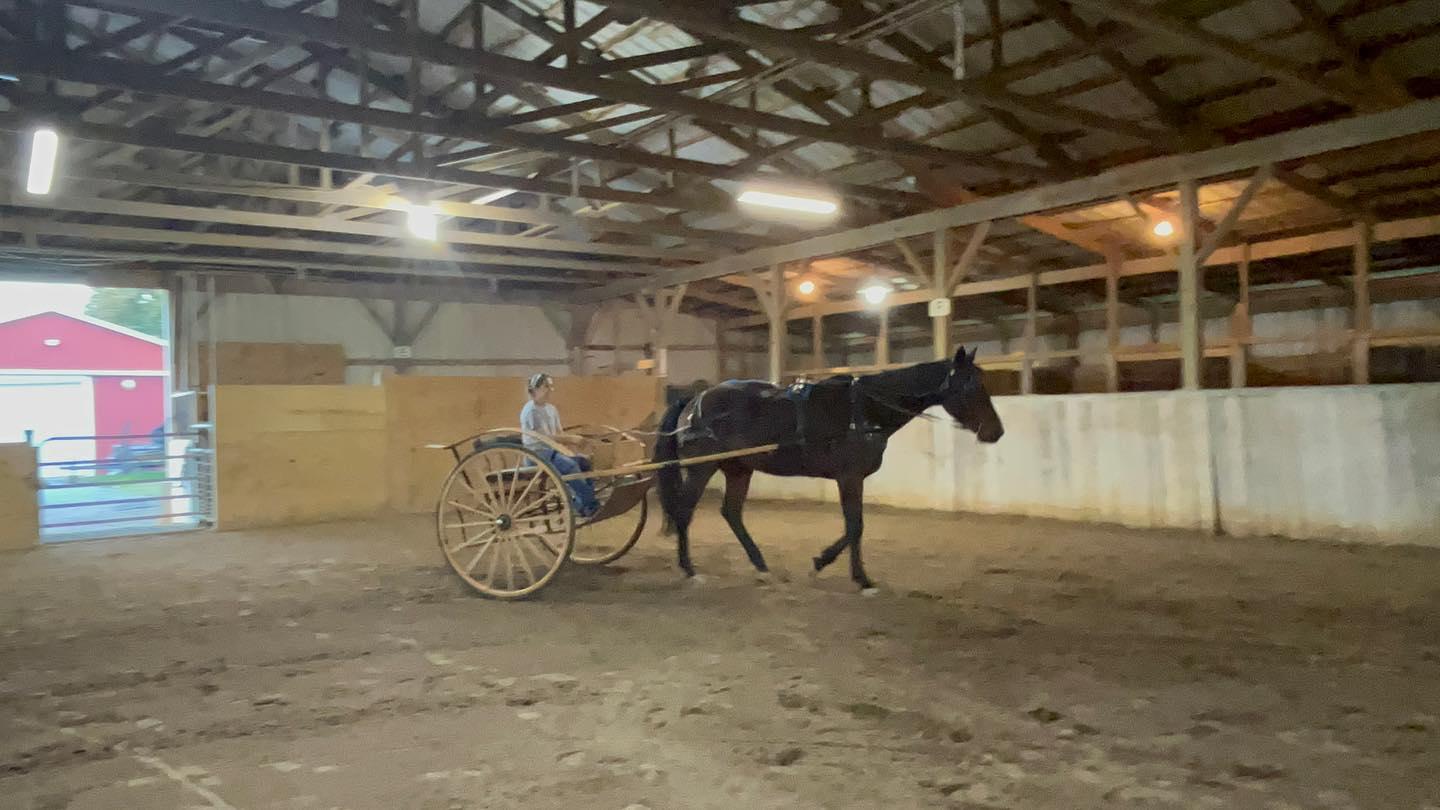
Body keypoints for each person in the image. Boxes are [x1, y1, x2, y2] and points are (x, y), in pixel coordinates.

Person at [520, 373, 600, 518]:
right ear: (534, 390)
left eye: (550, 387)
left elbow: (559, 433)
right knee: (570, 466)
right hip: (537, 454)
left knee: (584, 463)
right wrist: (571, 439)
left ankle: (584, 503)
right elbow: (543, 438)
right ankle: (588, 504)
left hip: (552, 452)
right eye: (545, 387)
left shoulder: (551, 409)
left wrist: (571, 447)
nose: (549, 391)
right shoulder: (530, 410)